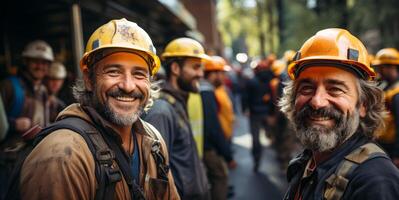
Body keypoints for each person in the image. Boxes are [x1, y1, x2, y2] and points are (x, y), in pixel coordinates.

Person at [17, 18, 179, 200]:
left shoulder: (154, 141)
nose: (128, 85)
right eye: (113, 72)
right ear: (89, 79)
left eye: (139, 74)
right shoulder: (62, 156)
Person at [279, 28, 399, 200]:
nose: (317, 102)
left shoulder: (376, 182)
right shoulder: (307, 162)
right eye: (306, 88)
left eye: (335, 89)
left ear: (363, 104)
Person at [143, 37, 210, 199]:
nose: (201, 74)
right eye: (195, 67)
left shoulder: (176, 103)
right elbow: (155, 175)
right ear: (175, 68)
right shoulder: (162, 111)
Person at [0, 40, 53, 196]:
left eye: (44, 63)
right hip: (8, 163)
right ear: (26, 62)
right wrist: (13, 124)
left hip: (35, 161)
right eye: (35, 61)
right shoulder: (8, 86)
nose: (40, 66)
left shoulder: (43, 91)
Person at [201, 56, 236, 200]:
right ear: (213, 73)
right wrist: (227, 154)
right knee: (220, 178)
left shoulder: (211, 91)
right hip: (211, 148)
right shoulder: (207, 93)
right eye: (222, 73)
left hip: (211, 146)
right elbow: (213, 127)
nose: (224, 76)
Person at [245, 56, 275, 172]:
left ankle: (257, 159)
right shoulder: (271, 82)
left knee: (256, 138)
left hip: (254, 114)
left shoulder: (251, 81)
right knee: (271, 135)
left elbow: (246, 97)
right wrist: (272, 114)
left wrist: (246, 109)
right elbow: (274, 99)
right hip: (266, 113)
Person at [372, 48, 399, 167]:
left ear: (390, 67)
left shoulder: (397, 94)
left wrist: (397, 154)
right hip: (383, 144)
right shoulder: (386, 87)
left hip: (393, 147)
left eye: (381, 67)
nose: (379, 71)